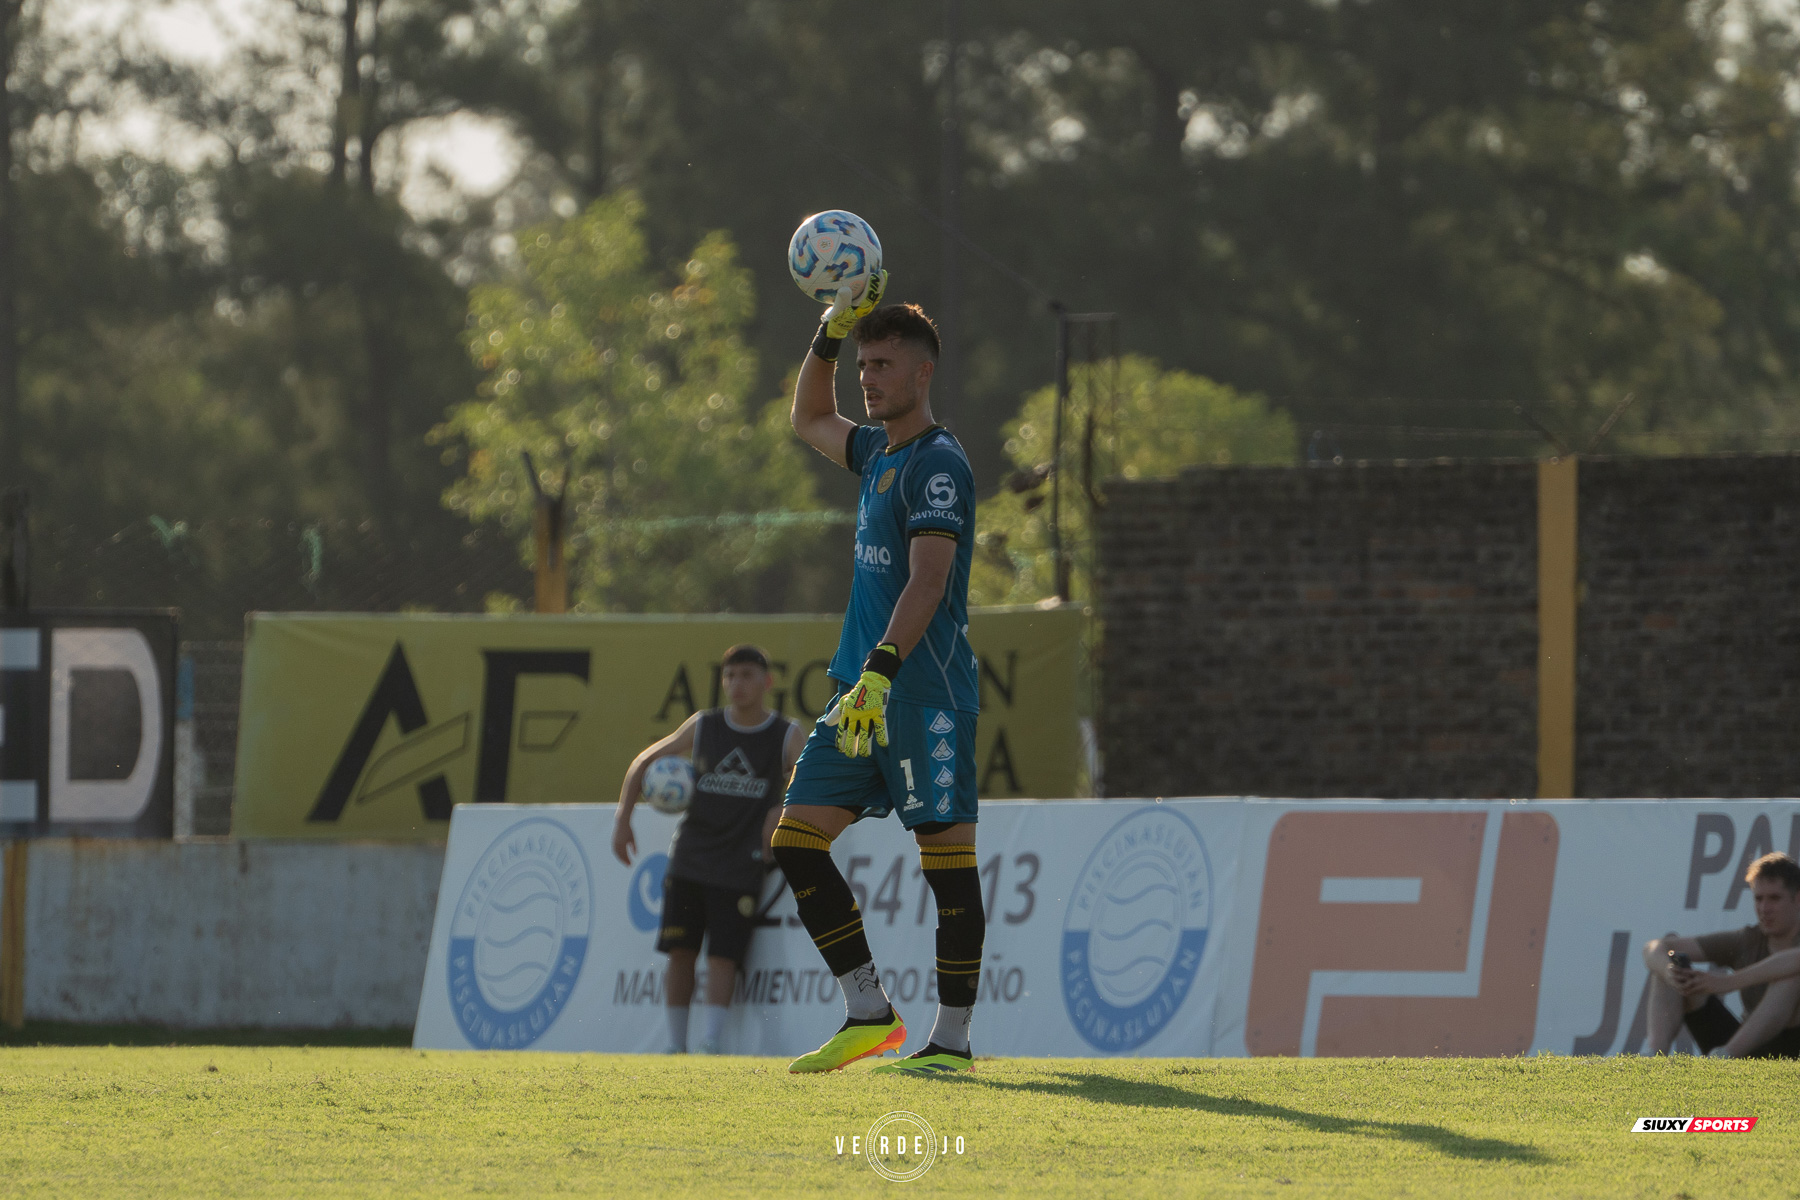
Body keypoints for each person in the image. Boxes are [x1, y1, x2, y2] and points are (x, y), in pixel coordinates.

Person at [770, 272, 984, 1077]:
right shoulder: (874, 453)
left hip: (918, 689)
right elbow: (806, 416)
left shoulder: (937, 465)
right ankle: (870, 1012)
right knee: (795, 841)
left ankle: (953, 1041)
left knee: (946, 861)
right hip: (861, 694)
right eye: (863, 366)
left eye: (883, 364)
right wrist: (829, 331)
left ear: (923, 371)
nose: (868, 379)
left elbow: (929, 581)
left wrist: (884, 670)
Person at [613, 644, 804, 1055]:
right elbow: (645, 761)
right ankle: (675, 1046)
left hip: (742, 862)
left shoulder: (785, 734)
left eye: (747, 675)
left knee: (723, 955)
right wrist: (622, 818)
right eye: (730, 676)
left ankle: (712, 1043)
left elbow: (808, 782)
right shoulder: (705, 726)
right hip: (691, 858)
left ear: (767, 682)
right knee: (680, 950)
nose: (737, 684)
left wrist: (779, 813)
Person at [1642, 852, 1800, 1058]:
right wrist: (1669, 970)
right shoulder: (1748, 939)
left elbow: (1793, 960)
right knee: (1671, 962)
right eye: (1758, 899)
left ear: (1798, 899)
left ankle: (1725, 1056)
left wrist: (1727, 982)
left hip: (1792, 1050)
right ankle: (1654, 1056)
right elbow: (1654, 947)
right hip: (1750, 1051)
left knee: (1790, 976)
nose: (1764, 909)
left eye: (1774, 899)